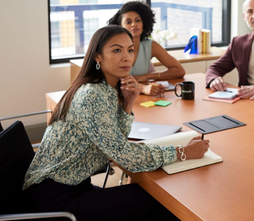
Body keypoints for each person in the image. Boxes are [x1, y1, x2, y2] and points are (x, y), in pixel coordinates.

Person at [22, 25, 209, 220]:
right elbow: (124, 155)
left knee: (147, 195)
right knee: (161, 202)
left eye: (130, 50)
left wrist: (128, 103)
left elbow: (116, 141)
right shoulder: (92, 95)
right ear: (97, 57)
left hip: (69, 186)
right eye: (117, 50)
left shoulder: (103, 88)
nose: (127, 57)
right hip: (56, 200)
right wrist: (182, 152)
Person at [108, 1, 185, 96]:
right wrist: (142, 88)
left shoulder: (150, 45)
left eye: (138, 20)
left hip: (139, 99)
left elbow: (179, 70)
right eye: (128, 22)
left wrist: (147, 76)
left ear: (144, 23)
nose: (133, 24)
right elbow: (108, 82)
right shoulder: (113, 48)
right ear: (120, 26)